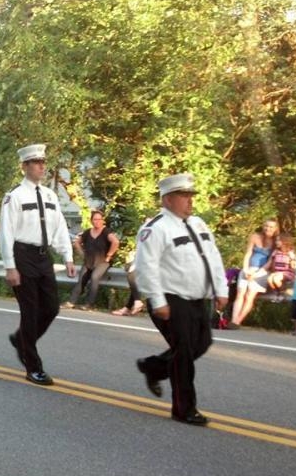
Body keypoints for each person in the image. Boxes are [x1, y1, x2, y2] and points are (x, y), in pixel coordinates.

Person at [134, 173, 228, 426]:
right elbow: (146, 267)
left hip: (198, 299)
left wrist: (221, 289)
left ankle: (154, 367)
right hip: (171, 300)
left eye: (190, 196)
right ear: (167, 200)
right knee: (184, 352)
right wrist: (157, 300)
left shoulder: (198, 224)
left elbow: (214, 258)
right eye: (183, 196)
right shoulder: (155, 229)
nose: (189, 201)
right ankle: (184, 409)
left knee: (202, 343)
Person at [0, 143, 76, 386]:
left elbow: (60, 227)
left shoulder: (50, 195)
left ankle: (22, 339)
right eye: (36, 162)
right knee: (30, 312)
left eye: (43, 162)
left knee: (51, 308)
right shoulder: (15, 196)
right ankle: (33, 366)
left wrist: (68, 256)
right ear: (24, 167)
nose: (42, 166)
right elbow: (6, 232)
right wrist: (10, 266)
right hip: (22, 256)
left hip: (44, 258)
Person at [227, 219, 279, 328]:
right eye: (266, 226)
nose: (268, 229)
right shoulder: (255, 237)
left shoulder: (276, 242)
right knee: (240, 293)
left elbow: (270, 261)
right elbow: (248, 253)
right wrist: (246, 269)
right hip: (248, 268)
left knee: (249, 295)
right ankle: (233, 319)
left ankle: (238, 321)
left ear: (275, 229)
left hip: (262, 271)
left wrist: (256, 274)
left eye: (271, 227)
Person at [65, 210, 119, 310]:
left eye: (99, 219)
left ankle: (89, 304)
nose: (97, 221)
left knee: (94, 277)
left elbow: (115, 242)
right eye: (95, 219)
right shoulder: (88, 232)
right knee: (81, 279)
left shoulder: (106, 232)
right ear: (91, 221)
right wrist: (82, 254)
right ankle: (71, 302)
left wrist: (109, 255)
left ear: (102, 221)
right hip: (89, 260)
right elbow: (76, 242)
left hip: (103, 261)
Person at [266, 232, 296, 299]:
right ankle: (277, 292)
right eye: (276, 240)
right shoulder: (276, 252)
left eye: (278, 240)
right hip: (277, 272)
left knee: (276, 279)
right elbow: (273, 263)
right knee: (269, 279)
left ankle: (283, 292)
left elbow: (294, 265)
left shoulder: (290, 253)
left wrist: (294, 266)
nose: (276, 242)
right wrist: (273, 272)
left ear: (285, 241)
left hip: (287, 273)